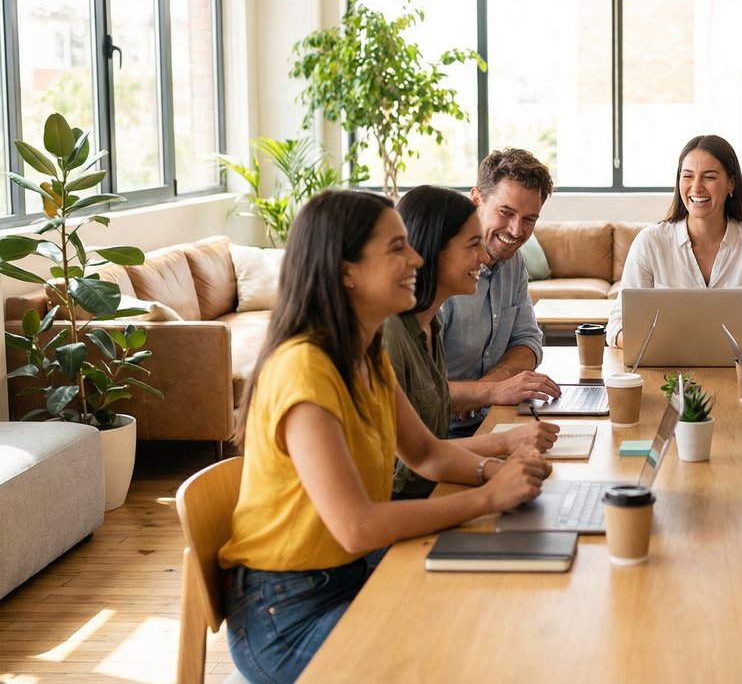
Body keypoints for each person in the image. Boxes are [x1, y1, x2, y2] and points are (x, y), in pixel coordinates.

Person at [219, 190, 553, 683]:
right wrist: (488, 497)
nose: (416, 258)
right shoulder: (304, 370)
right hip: (287, 614)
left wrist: (495, 472)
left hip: (347, 577)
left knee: (493, 620)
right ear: (346, 271)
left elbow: (426, 453)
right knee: (465, 658)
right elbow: (356, 526)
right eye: (397, 248)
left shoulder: (367, 352)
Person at [385, 185, 560, 499]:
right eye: (472, 245)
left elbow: (427, 454)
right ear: (432, 249)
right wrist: (494, 471)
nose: (483, 256)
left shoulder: (430, 326)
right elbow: (408, 467)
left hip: (435, 481)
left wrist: (498, 464)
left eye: (529, 218)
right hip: (407, 503)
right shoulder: (389, 335)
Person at [607, 134, 742, 351]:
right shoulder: (650, 242)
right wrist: (662, 344)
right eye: (688, 176)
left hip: (735, 365)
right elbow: (617, 325)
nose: (696, 187)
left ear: (731, 183)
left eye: (709, 177)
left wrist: (704, 344)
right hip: (665, 365)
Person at [438, 148, 561, 438]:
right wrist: (489, 391)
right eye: (506, 213)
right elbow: (413, 393)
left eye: (529, 219)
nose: (516, 231)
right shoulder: (440, 267)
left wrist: (489, 386)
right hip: (441, 433)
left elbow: (527, 340)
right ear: (476, 200)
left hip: (496, 415)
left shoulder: (514, 262)